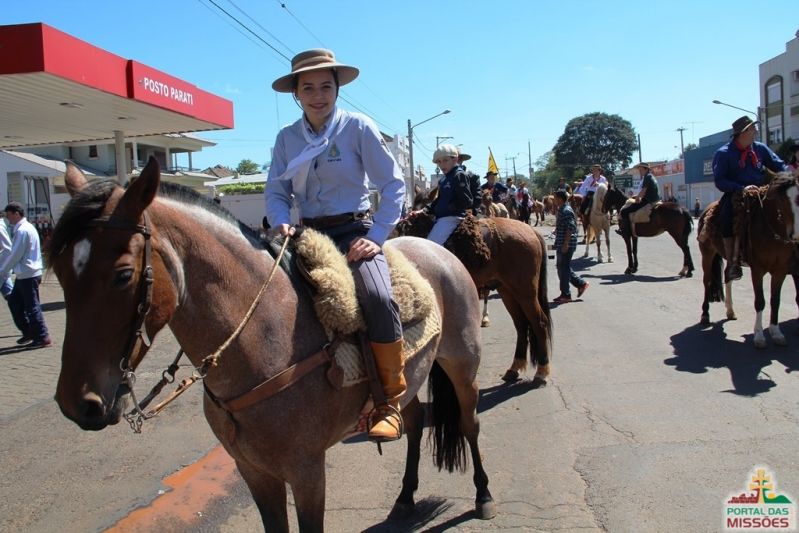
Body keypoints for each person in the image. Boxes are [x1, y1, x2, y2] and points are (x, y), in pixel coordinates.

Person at [265, 49, 406, 443]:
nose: (318, 95)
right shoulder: (286, 138)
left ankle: (390, 401)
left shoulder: (357, 127)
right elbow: (276, 191)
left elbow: (393, 184)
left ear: (338, 89)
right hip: (306, 235)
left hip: (354, 231)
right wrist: (280, 221)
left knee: (378, 297)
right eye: (308, 88)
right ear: (296, 93)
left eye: (326, 86)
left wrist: (376, 237)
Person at [712, 115, 788, 282]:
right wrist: (741, 188)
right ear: (743, 133)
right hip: (737, 193)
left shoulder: (760, 148)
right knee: (726, 217)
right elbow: (720, 180)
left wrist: (790, 174)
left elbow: (779, 165)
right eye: (753, 129)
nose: (756, 131)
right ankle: (733, 262)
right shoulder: (724, 153)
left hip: (761, 190)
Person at [0, 202, 51, 347]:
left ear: (16, 214)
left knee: (32, 306)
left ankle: (42, 336)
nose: (8, 219)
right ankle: (29, 331)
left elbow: (15, 254)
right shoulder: (26, 228)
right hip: (25, 274)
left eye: (9, 215)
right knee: (15, 303)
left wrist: (3, 271)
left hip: (28, 274)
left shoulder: (22, 231)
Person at [418, 144, 472, 244]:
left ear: (455, 159)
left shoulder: (459, 175)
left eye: (445, 160)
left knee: (430, 245)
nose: (442, 165)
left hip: (452, 218)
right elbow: (438, 200)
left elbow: (466, 200)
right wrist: (423, 210)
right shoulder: (443, 179)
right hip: (442, 218)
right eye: (439, 162)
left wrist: (448, 208)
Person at [553, 191, 588, 303]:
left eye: (555, 198)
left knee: (563, 268)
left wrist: (566, 243)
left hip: (566, 243)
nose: (554, 200)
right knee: (563, 267)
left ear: (560, 199)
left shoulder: (566, 210)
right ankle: (580, 284)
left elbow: (570, 227)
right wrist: (557, 230)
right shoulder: (562, 209)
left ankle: (566, 294)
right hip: (561, 242)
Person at [617, 162, 660, 237]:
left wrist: (637, 198)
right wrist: (637, 196)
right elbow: (646, 191)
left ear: (646, 169)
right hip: (654, 199)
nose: (640, 171)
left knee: (624, 211)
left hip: (648, 200)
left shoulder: (647, 177)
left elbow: (644, 190)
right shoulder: (651, 176)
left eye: (641, 170)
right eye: (639, 170)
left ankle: (626, 231)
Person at [457, 151, 482, 215]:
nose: (456, 161)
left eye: (458, 159)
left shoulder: (472, 177)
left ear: (462, 160)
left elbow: (477, 197)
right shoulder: (445, 179)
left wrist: (472, 209)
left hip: (469, 211)